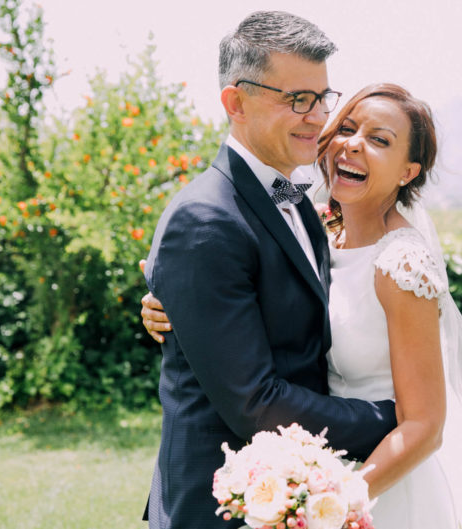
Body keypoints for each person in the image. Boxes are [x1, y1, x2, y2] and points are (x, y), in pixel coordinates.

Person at [142, 83, 462, 528]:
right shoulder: (316, 231)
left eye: (379, 140)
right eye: (347, 128)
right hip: (310, 463)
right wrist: (174, 301)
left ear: (408, 172)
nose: (352, 144)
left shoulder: (402, 265)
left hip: (383, 482)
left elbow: (424, 426)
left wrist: (334, 502)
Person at [140, 12, 399, 529]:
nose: (318, 115)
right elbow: (256, 403)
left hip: (295, 495)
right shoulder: (205, 220)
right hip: (222, 507)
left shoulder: (301, 202)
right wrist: (394, 419)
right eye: (296, 99)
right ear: (235, 102)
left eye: (322, 97)